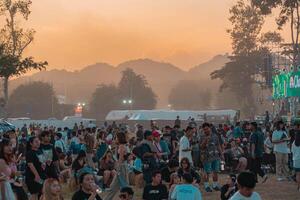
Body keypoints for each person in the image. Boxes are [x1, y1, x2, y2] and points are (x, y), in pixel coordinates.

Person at [105, 131, 129, 200]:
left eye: (116, 137)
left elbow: (121, 159)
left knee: (123, 185)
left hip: (121, 167)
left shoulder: (121, 146)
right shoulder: (122, 146)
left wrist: (117, 167)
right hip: (121, 167)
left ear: (119, 138)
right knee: (114, 186)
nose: (115, 139)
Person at [200, 123, 223, 192]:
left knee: (215, 171)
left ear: (210, 128)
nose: (206, 130)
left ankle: (215, 185)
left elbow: (218, 145)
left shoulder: (215, 136)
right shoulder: (202, 136)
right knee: (207, 172)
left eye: (207, 129)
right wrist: (205, 140)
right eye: (204, 129)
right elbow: (201, 147)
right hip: (206, 157)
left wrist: (221, 154)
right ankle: (207, 186)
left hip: (215, 156)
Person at [291, 125, 300, 192]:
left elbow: (292, 152)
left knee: (298, 174)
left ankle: (299, 187)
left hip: (296, 160)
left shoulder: (294, 143)